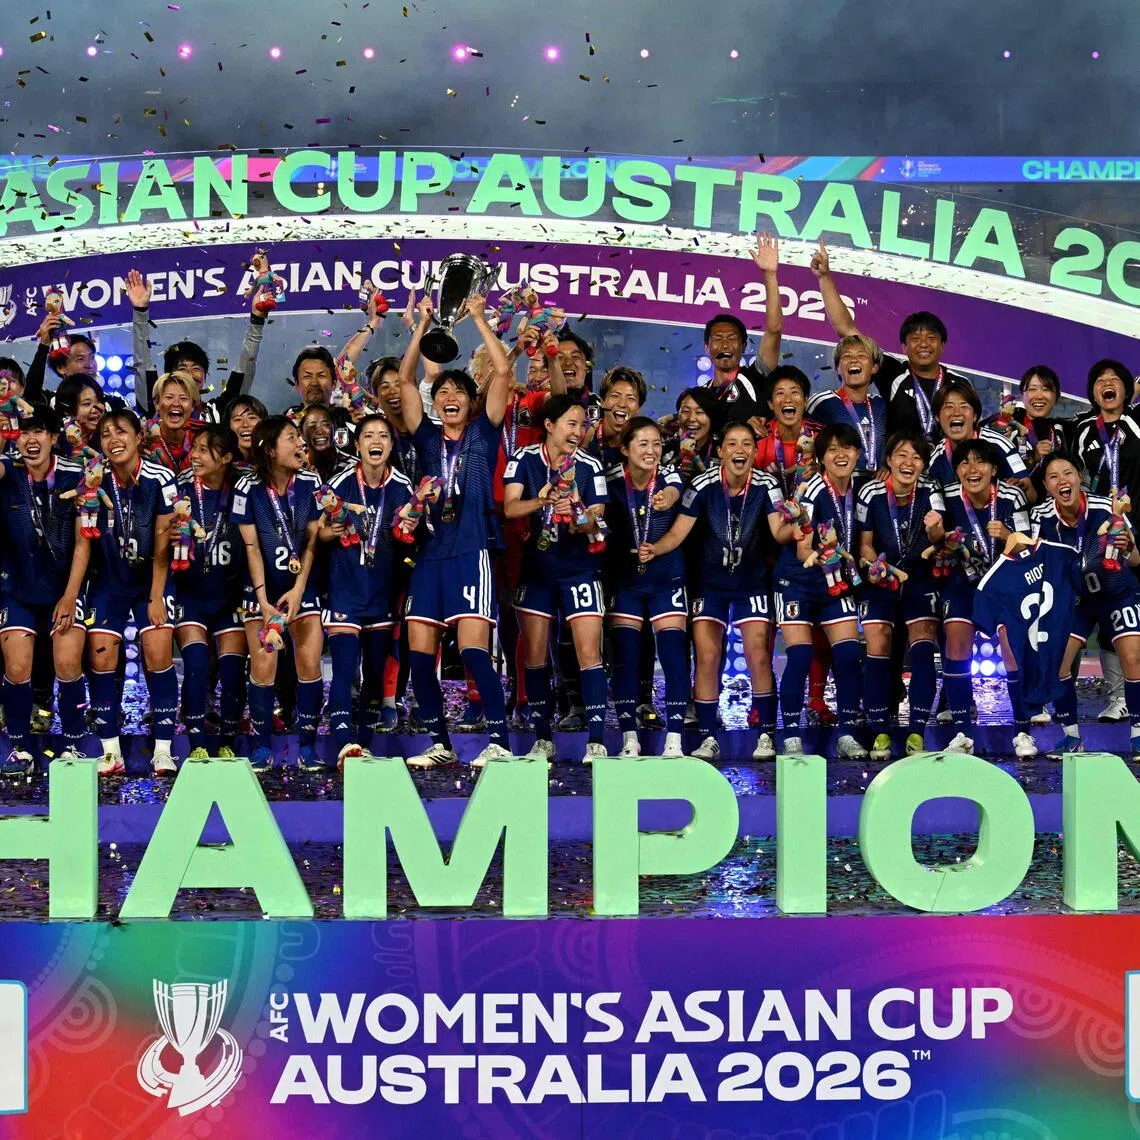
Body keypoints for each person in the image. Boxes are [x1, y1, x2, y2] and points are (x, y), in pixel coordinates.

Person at [398, 292, 514, 769]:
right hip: (430, 555)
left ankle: (500, 742)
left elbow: (503, 373)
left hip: (471, 551)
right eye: (442, 393)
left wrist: (480, 319)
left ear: (471, 402)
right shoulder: (426, 437)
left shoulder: (484, 432)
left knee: (473, 651)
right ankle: (439, 743)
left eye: (459, 393)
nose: (449, 398)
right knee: (419, 656)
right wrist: (421, 327)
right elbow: (404, 380)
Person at [647, 422, 783, 762]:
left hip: (751, 581)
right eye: (732, 443)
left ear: (755, 451)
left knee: (758, 655)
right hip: (709, 583)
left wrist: (800, 522)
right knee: (707, 657)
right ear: (721, 451)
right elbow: (678, 533)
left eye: (747, 444)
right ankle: (708, 737)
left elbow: (780, 533)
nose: (740, 450)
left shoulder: (767, 485)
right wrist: (654, 549)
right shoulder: (702, 485)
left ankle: (766, 735)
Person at [504, 393, 609, 763]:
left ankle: (596, 741)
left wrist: (578, 510)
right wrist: (543, 501)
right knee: (535, 656)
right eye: (571, 424)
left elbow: (597, 523)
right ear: (549, 425)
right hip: (537, 571)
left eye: (582, 425)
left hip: (580, 569)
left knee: (588, 654)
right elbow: (511, 507)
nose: (577, 431)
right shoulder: (524, 459)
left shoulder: (591, 466)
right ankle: (542, 738)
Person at [83, 409, 179, 776]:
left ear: (139, 437)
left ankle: (163, 750)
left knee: (157, 651)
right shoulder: (94, 481)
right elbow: (85, 537)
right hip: (110, 581)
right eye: (106, 434)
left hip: (151, 579)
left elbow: (164, 541)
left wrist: (156, 595)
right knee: (101, 656)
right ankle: (111, 752)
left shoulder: (161, 478)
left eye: (121, 431)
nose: (113, 439)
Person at [319, 415, 415, 768]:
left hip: (381, 593)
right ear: (357, 444)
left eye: (383, 436)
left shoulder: (403, 486)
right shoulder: (340, 483)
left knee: (375, 674)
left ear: (391, 444)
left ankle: (363, 743)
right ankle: (344, 741)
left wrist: (411, 527)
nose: (376, 441)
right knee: (345, 669)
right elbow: (317, 532)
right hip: (345, 589)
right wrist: (331, 531)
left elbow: (411, 538)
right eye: (369, 435)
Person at [926, 439, 1031, 756]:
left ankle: (1023, 733)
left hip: (1003, 582)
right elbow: (936, 537)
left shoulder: (1012, 496)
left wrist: (1008, 536)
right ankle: (962, 733)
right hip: (964, 581)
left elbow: (1027, 547)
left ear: (994, 469)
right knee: (956, 645)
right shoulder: (946, 496)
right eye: (964, 463)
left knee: (1012, 651)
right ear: (956, 470)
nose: (972, 469)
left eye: (980, 462)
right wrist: (937, 534)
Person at [0, 407, 91, 774]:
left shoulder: (76, 475)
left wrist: (69, 596)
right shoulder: (8, 470)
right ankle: (19, 747)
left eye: (39, 432)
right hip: (18, 587)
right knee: (17, 666)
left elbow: (84, 542)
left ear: (54, 438)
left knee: (67, 662)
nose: (31, 440)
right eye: (24, 432)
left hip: (65, 588)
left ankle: (72, 744)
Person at [1031, 452, 1140, 755]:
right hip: (1076, 600)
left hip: (1117, 594)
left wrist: (1128, 547)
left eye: (1068, 473)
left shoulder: (1106, 507)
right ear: (1046, 486)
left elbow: (1136, 558)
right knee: (1059, 661)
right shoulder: (1041, 517)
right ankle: (1071, 736)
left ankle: (1138, 732)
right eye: (1053, 477)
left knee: (1133, 657)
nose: (1062, 481)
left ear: (1080, 477)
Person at [233, 416, 325, 772]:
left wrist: (299, 589)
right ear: (270, 449)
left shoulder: (311, 482)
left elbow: (312, 542)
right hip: (260, 587)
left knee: (309, 661)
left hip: (301, 584)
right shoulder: (247, 487)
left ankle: (308, 746)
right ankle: (260, 747)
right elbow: (252, 547)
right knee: (264, 663)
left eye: (299, 437)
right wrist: (263, 600)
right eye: (291, 438)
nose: (300, 443)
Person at [773, 423, 867, 759]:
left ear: (858, 453)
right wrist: (827, 553)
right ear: (822, 457)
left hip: (834, 583)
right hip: (797, 581)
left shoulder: (862, 488)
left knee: (848, 655)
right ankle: (791, 736)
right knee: (800, 656)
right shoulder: (812, 490)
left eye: (847, 448)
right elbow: (802, 550)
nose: (841, 455)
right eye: (832, 449)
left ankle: (847, 734)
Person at [811, 240, 969, 438]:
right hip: (899, 458)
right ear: (903, 346)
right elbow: (846, 328)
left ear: (943, 345)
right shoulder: (893, 372)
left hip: (945, 458)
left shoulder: (959, 382)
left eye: (931, 338)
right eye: (915, 338)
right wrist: (824, 277)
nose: (923, 344)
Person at [854, 432, 945, 760]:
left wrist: (934, 529)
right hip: (881, 577)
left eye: (917, 457)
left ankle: (917, 732)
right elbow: (865, 544)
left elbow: (940, 537)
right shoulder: (871, 491)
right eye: (902, 455)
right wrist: (874, 565)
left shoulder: (931, 490)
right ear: (889, 460)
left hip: (920, 578)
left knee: (923, 647)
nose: (909, 463)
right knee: (878, 646)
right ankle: (880, 731)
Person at [605, 418, 688, 757]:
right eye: (643, 444)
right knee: (625, 658)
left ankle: (675, 740)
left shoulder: (668, 477)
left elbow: (675, 489)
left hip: (666, 577)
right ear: (625, 449)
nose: (652, 451)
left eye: (656, 444)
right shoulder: (610, 480)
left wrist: (668, 498)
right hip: (626, 579)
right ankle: (629, 738)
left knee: (673, 655)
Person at [1069, 358, 1140, 722]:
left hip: (1137, 528)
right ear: (1093, 392)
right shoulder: (1082, 430)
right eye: (1100, 380)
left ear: (1127, 390)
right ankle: (1119, 697)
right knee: (1111, 610)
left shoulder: (1138, 423)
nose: (1107, 384)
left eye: (1114, 380)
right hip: (1098, 534)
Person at [172, 424, 247, 759]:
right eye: (195, 448)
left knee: (232, 672)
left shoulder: (242, 491)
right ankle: (197, 745)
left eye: (204, 450)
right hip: (191, 595)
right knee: (196, 667)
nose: (195, 455)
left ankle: (228, 742)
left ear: (226, 458)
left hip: (229, 597)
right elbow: (161, 536)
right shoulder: (181, 489)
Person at [126, 258, 268, 422]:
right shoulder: (157, 407)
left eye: (196, 369)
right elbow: (142, 365)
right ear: (169, 377)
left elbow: (245, 369)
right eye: (182, 368)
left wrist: (257, 321)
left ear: (205, 377)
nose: (190, 375)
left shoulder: (218, 412)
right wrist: (140, 312)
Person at [928, 380, 1032, 500]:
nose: (956, 413)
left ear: (975, 416)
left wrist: (1020, 488)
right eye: (949, 407)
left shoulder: (1000, 445)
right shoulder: (935, 459)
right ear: (937, 417)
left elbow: (1031, 493)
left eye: (964, 406)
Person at [806, 334, 888, 474]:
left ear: (874, 367)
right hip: (838, 482)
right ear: (838, 368)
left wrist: (887, 465)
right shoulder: (822, 402)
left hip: (875, 484)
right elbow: (800, 437)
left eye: (861, 355)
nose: (854, 360)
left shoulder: (880, 405)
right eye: (847, 356)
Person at [589, 367, 647, 477]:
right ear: (602, 402)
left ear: (639, 408)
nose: (622, 404)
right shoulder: (586, 438)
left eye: (630, 398)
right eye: (615, 396)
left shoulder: (643, 446)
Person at [145, 371, 198, 474]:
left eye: (183, 398)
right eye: (169, 397)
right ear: (156, 403)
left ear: (193, 406)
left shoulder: (202, 439)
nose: (176, 404)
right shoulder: (143, 440)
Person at [663, 387, 718, 483]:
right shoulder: (666, 449)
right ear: (678, 416)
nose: (691, 418)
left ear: (712, 417)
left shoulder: (722, 451)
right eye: (685, 411)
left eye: (699, 412)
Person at [227, 395, 266, 475]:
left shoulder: (273, 461)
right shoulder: (223, 466)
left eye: (252, 418)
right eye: (238, 419)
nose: (245, 424)